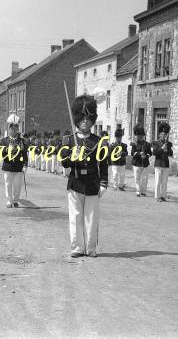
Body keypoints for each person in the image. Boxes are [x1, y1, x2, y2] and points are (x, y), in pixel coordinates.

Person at [60, 95, 108, 258]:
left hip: (93, 184)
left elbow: (103, 164)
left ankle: (91, 247)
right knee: (75, 216)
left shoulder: (99, 141)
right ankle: (77, 247)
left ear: (93, 119)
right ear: (77, 119)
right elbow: (65, 164)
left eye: (88, 118)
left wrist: (104, 184)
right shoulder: (69, 140)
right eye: (82, 117)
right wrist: (70, 154)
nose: (85, 121)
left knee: (92, 217)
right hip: (75, 182)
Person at [1, 114, 28, 208]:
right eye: (12, 129)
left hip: (18, 165)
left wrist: (25, 165)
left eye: (15, 128)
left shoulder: (22, 141)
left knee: (17, 184)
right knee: (8, 184)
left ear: (17, 129)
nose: (14, 130)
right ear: (9, 129)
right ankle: (9, 200)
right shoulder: (4, 141)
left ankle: (16, 200)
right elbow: (1, 154)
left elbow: (24, 153)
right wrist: (8, 149)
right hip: (8, 165)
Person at [152, 122, 173, 202]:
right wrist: (161, 149)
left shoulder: (168, 143)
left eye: (165, 135)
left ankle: (163, 196)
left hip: (166, 164)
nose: (163, 136)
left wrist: (167, 150)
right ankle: (157, 196)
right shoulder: (155, 143)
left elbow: (171, 154)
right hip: (158, 164)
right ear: (159, 135)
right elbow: (154, 153)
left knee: (164, 182)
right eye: (162, 135)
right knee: (158, 181)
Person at [130, 124, 151, 197]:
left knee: (144, 178)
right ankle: (138, 191)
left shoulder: (147, 144)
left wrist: (146, 156)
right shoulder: (134, 144)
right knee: (137, 178)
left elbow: (150, 153)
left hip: (145, 163)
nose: (140, 137)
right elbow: (132, 153)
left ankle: (143, 191)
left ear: (143, 136)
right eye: (139, 136)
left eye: (141, 136)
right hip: (137, 163)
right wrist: (139, 154)